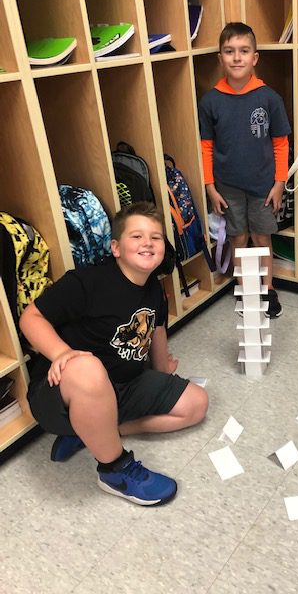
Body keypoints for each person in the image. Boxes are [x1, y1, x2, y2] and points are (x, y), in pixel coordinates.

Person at [20, 202, 208, 506]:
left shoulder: (154, 290)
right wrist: (61, 353)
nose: (147, 242)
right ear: (116, 248)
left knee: (197, 403)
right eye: (136, 236)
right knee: (87, 367)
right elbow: (30, 318)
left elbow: (157, 331)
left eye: (156, 237)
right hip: (63, 392)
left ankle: (95, 431)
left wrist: (163, 371)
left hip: (123, 385)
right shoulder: (87, 282)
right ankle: (114, 470)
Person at [198, 22, 291, 318]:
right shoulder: (211, 101)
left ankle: (268, 288)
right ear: (221, 58)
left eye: (243, 51)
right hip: (228, 187)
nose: (236, 57)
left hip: (264, 186)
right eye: (229, 51)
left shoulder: (269, 98)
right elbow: (206, 147)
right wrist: (210, 186)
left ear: (255, 57)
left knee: (262, 237)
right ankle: (243, 288)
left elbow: (280, 144)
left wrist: (279, 183)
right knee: (238, 238)